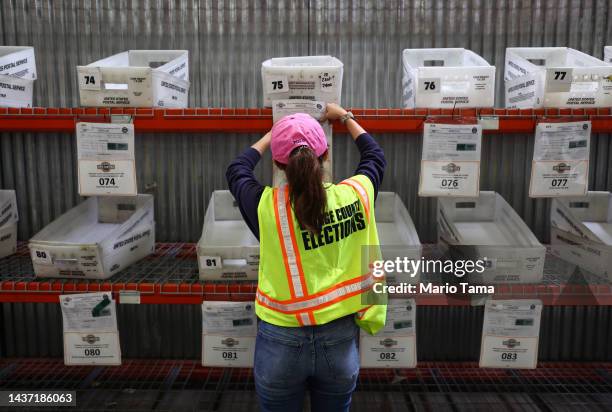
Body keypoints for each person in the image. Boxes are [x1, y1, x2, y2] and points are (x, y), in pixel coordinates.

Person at [226, 103, 387, 412]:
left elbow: (237, 169)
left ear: (278, 163)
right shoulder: (357, 195)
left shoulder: (266, 208)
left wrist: (274, 133)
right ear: (325, 155)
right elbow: (374, 156)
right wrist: (345, 117)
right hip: (339, 341)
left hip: (280, 343)